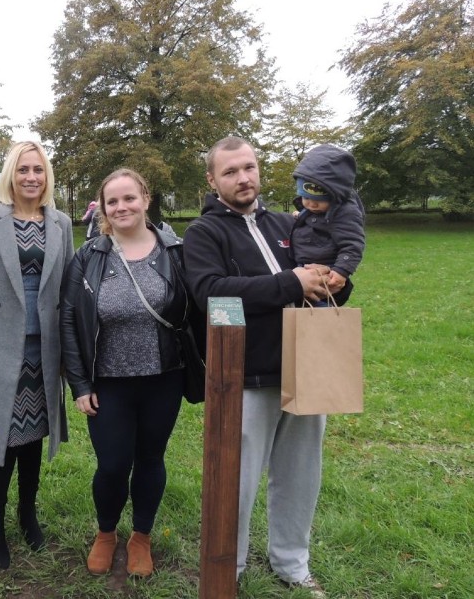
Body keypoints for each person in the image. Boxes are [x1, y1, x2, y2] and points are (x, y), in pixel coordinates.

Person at [182, 136, 343, 598]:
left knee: (301, 473)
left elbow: (320, 277)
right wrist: (288, 282)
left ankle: (291, 563)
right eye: (230, 171)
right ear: (212, 180)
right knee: (238, 478)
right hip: (246, 375)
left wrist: (336, 280)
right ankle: (226, 565)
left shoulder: (289, 224)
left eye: (248, 167)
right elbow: (211, 292)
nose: (243, 177)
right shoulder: (204, 234)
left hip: (309, 366)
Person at [60, 168, 200, 577]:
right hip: (108, 382)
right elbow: (69, 319)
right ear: (103, 209)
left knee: (151, 458)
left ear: (146, 199)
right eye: (112, 201)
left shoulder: (174, 251)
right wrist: (79, 384)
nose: (121, 207)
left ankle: (141, 536)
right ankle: (106, 533)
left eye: (129, 198)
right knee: (113, 464)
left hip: (164, 377)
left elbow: (198, 307)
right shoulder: (90, 256)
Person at [0, 141, 74, 569]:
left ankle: (28, 513)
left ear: (47, 177)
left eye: (38, 170)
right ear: (11, 174)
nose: (31, 177)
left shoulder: (60, 223)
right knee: (2, 438)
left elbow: (67, 293)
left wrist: (69, 353)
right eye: (23, 169)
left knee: (33, 436)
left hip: (44, 350)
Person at [291, 144, 365, 301]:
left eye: (318, 200)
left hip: (326, 274)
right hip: (304, 268)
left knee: (319, 314)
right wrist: (302, 216)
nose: (311, 205)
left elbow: (352, 244)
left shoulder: (345, 212)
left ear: (335, 196)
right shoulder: (318, 210)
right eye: (305, 198)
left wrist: (341, 271)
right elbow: (319, 222)